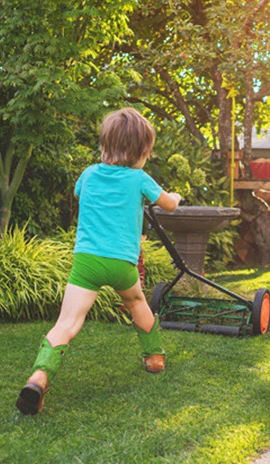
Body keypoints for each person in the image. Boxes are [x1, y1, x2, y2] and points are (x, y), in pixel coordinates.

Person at [16, 107, 181, 415]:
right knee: (136, 303)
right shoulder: (139, 178)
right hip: (122, 264)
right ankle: (154, 356)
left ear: (105, 145)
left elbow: (80, 193)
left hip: (87, 262)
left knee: (67, 323)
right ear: (142, 151)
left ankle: (38, 377)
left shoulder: (89, 174)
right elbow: (169, 205)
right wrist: (175, 196)